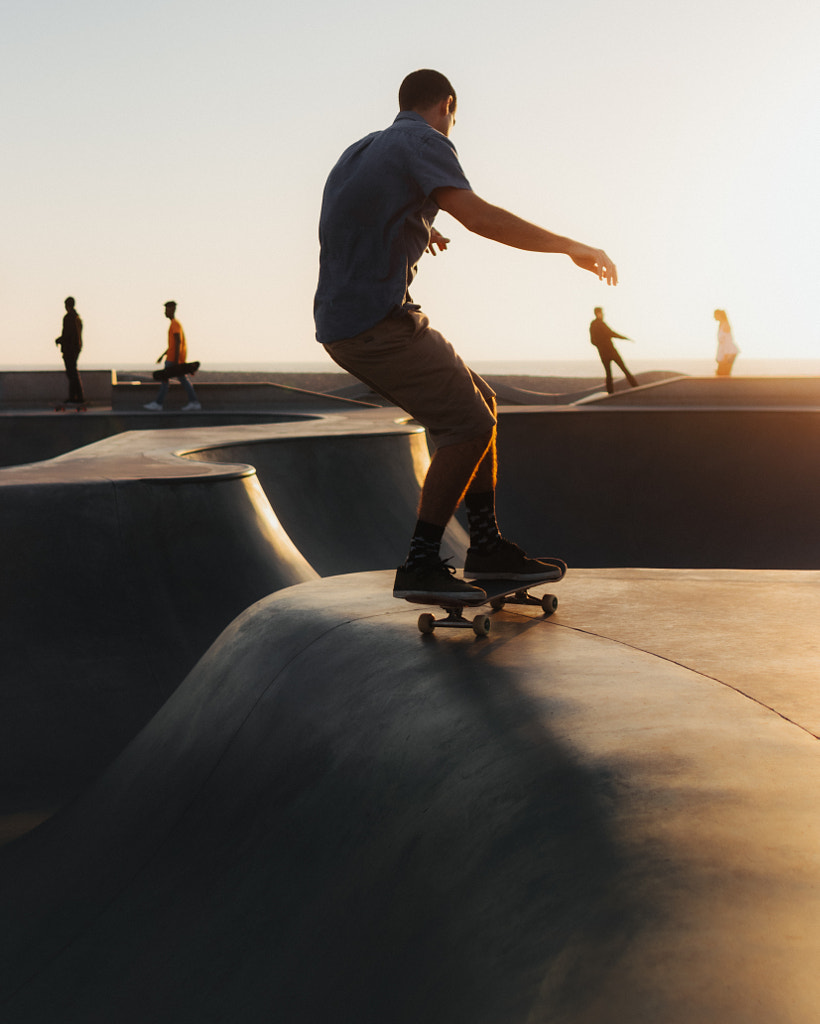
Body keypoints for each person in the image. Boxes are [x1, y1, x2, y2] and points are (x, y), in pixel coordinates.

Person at [315, 69, 619, 602]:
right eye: (454, 117)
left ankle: (486, 545)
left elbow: (345, 213)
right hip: (378, 324)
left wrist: (416, 223)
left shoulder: (360, 151)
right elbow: (480, 217)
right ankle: (421, 561)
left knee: (483, 402)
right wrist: (570, 245)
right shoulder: (425, 141)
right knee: (467, 424)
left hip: (344, 321)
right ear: (447, 105)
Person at [144, 301, 201, 411]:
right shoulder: (174, 324)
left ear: (172, 310)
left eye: (167, 309)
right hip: (172, 358)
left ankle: (158, 404)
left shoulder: (175, 324)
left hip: (173, 360)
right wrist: (162, 355)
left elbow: (178, 342)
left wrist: (175, 361)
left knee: (166, 381)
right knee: (181, 380)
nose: (165, 312)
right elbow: (173, 344)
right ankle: (194, 402)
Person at [589, 307, 638, 394]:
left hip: (603, 353)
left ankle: (610, 393)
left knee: (609, 374)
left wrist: (600, 346)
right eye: (602, 313)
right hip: (611, 351)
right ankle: (636, 387)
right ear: (598, 313)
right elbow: (611, 333)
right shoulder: (600, 324)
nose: (603, 314)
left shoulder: (593, 324)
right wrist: (625, 338)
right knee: (624, 369)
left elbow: (593, 341)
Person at [54, 296, 85, 404]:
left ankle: (76, 397)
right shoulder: (77, 318)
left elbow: (67, 334)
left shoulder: (68, 318)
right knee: (73, 372)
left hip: (70, 349)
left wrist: (59, 340)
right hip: (76, 348)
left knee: (71, 373)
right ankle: (77, 396)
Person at [714, 309, 739, 376]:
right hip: (725, 353)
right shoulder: (721, 325)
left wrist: (726, 356)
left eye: (715, 315)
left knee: (723, 373)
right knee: (721, 373)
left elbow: (728, 341)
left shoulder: (725, 325)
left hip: (729, 353)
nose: (714, 317)